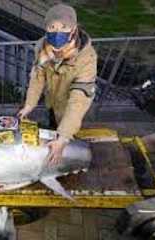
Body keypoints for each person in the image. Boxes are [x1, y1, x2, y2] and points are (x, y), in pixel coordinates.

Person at [17, 4, 97, 165]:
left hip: (73, 111)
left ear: (74, 29)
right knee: (53, 138)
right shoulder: (42, 48)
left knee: (73, 147)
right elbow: (37, 77)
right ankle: (56, 155)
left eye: (64, 27)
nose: (57, 32)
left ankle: (76, 164)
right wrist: (29, 105)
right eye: (52, 27)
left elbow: (78, 101)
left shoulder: (86, 58)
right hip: (53, 104)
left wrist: (65, 136)